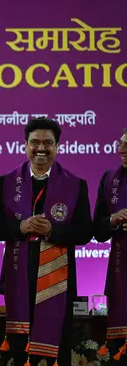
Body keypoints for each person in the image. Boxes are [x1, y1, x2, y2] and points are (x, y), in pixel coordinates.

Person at [0, 117, 93, 365]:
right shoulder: (8, 182)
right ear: (25, 144)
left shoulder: (76, 185)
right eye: (35, 142)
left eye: (48, 143)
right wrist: (20, 227)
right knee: (20, 352)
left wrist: (53, 231)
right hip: (18, 276)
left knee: (58, 350)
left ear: (57, 146)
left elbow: (86, 232)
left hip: (58, 283)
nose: (41, 149)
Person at [93, 128, 127, 360]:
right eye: (121, 143)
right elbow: (98, 230)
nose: (122, 150)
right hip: (120, 272)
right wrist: (113, 220)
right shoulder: (109, 178)